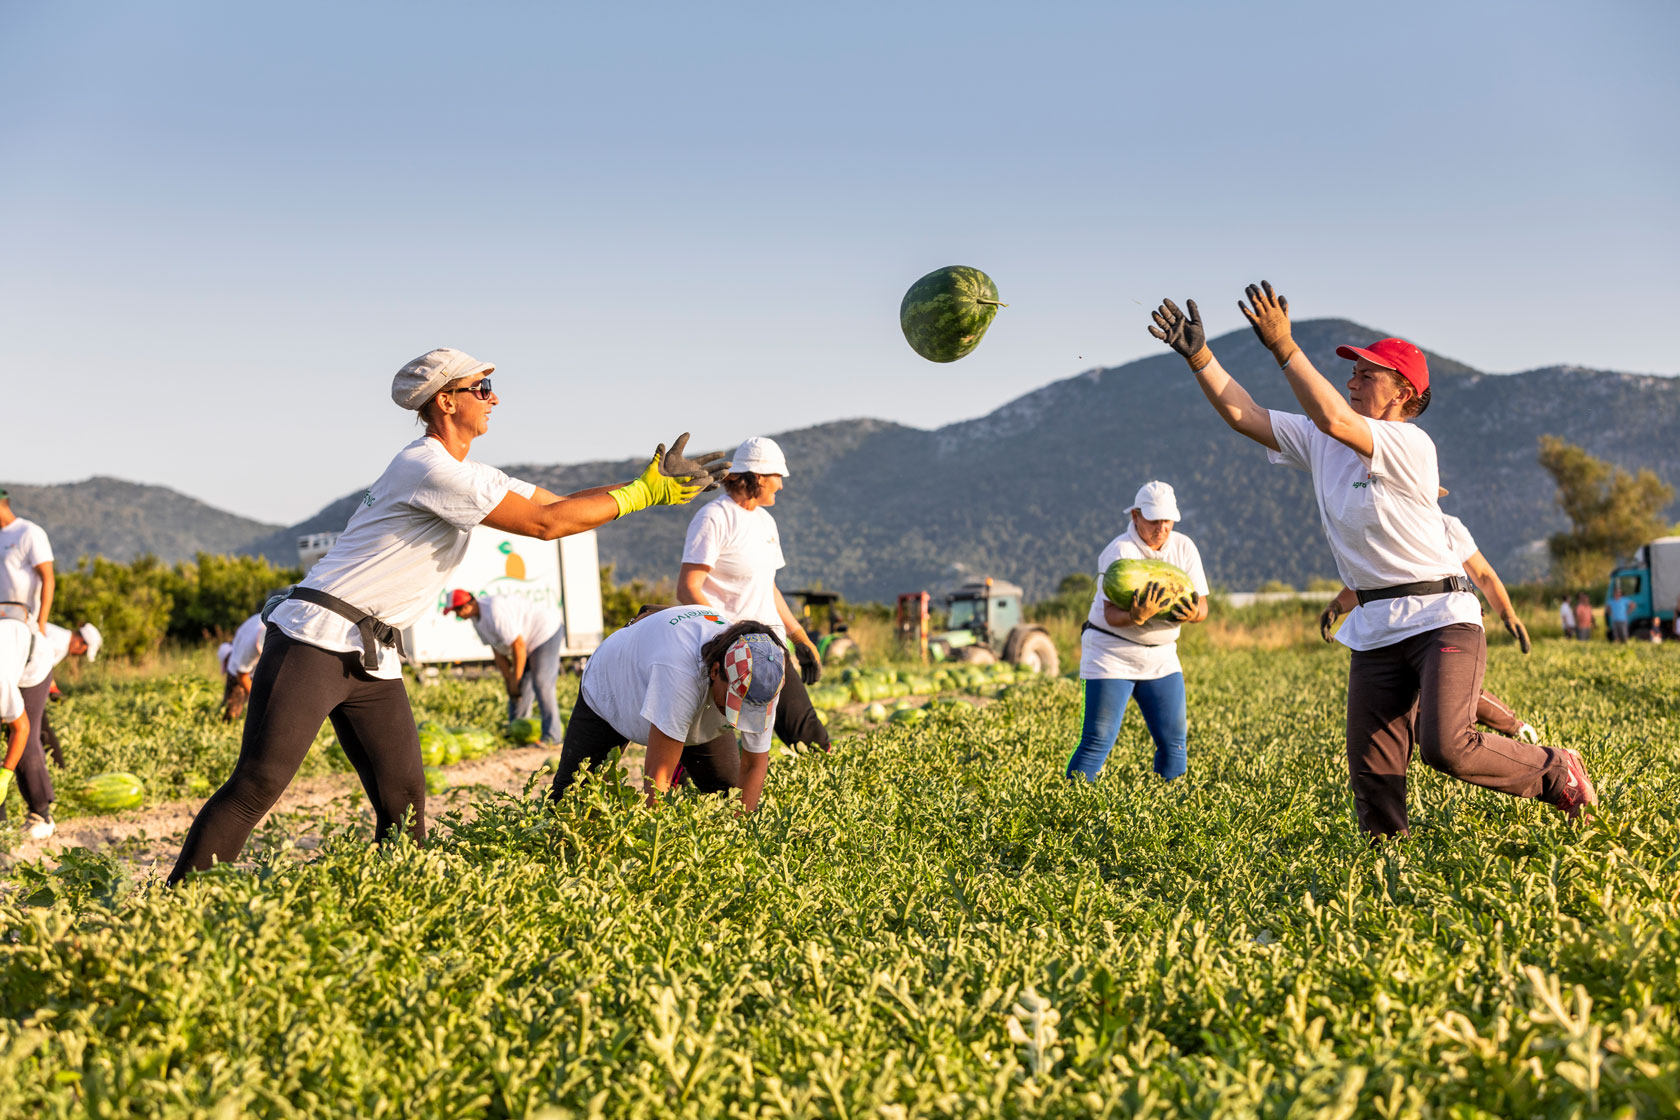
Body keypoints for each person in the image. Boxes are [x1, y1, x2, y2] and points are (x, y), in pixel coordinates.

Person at [168, 348, 728, 883]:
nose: (494, 399)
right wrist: (640, 493)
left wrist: (648, 487)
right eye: (481, 388)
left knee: (404, 805)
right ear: (445, 401)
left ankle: (398, 912)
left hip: (372, 655)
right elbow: (545, 525)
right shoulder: (427, 467)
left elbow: (554, 504)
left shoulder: (471, 473)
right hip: (317, 638)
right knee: (258, 783)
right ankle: (177, 903)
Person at [1149, 281, 1594, 837]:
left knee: (1447, 747)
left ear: (1403, 393)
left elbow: (1337, 419)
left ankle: (1555, 770)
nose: (1353, 380)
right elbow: (1247, 416)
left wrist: (1284, 347)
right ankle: (1390, 871)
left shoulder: (1410, 443)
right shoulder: (1319, 440)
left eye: (1367, 374)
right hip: (1376, 628)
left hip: (1441, 618)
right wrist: (1201, 357)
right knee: (1374, 772)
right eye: (1352, 373)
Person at [1321, 509, 1540, 745]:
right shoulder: (1384, 530)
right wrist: (1336, 606)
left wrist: (1508, 614)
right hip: (1394, 628)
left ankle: (1513, 729)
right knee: (1415, 703)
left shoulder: (1444, 526)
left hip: (1444, 620)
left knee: (1450, 695)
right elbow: (1370, 582)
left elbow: (1483, 574)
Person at [548, 607, 784, 811]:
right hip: (611, 684)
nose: (740, 713)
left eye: (748, 708)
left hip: (687, 687)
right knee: (570, 799)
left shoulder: (764, 676)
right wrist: (657, 848)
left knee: (726, 793)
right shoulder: (680, 673)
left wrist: (739, 833)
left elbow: (754, 765)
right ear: (714, 671)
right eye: (735, 702)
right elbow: (657, 776)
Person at [677, 436, 829, 752]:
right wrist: (731, 637)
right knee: (715, 760)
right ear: (758, 476)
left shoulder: (765, 521)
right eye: (778, 477)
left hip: (769, 648)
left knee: (811, 739)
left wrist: (799, 638)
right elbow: (688, 587)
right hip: (727, 651)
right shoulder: (715, 517)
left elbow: (767, 585)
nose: (781, 486)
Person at [1066, 481, 1209, 781]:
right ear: (1135, 516)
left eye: (1167, 521)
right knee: (1097, 741)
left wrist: (1193, 614)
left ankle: (1171, 815)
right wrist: (1135, 615)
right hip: (1111, 652)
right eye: (1154, 520)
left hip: (1162, 656)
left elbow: (1203, 608)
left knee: (1174, 745)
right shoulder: (1119, 551)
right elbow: (1110, 614)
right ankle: (1067, 816)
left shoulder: (1184, 547)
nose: (1162, 528)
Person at [9, 620, 101, 838]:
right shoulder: (57, 641)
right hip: (22, 676)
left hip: (26, 677)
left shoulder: (56, 639)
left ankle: (42, 811)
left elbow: (37, 664)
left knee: (29, 734)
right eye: (82, 652)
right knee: (33, 732)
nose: (77, 655)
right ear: (80, 642)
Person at [442, 589, 566, 744]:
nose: (457, 615)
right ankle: (516, 733)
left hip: (545, 632)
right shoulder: (476, 620)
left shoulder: (494, 611)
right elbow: (498, 652)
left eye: (457, 610)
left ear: (469, 604)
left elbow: (518, 645)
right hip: (526, 643)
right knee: (518, 688)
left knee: (541, 682)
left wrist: (516, 679)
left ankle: (552, 737)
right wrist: (509, 681)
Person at [0, 487, 54, 636]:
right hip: (1, 620)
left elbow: (48, 578)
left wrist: (41, 623)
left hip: (24, 621)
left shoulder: (28, 532)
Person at [0, 606, 35, 826]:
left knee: (31, 743)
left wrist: (4, 775)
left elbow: (21, 728)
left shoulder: (2, 682)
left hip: (34, 658)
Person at [220, 611, 267, 721]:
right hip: (239, 666)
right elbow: (242, 676)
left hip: (255, 664)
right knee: (233, 709)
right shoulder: (249, 648)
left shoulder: (274, 625)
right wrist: (258, 699)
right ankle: (226, 722)